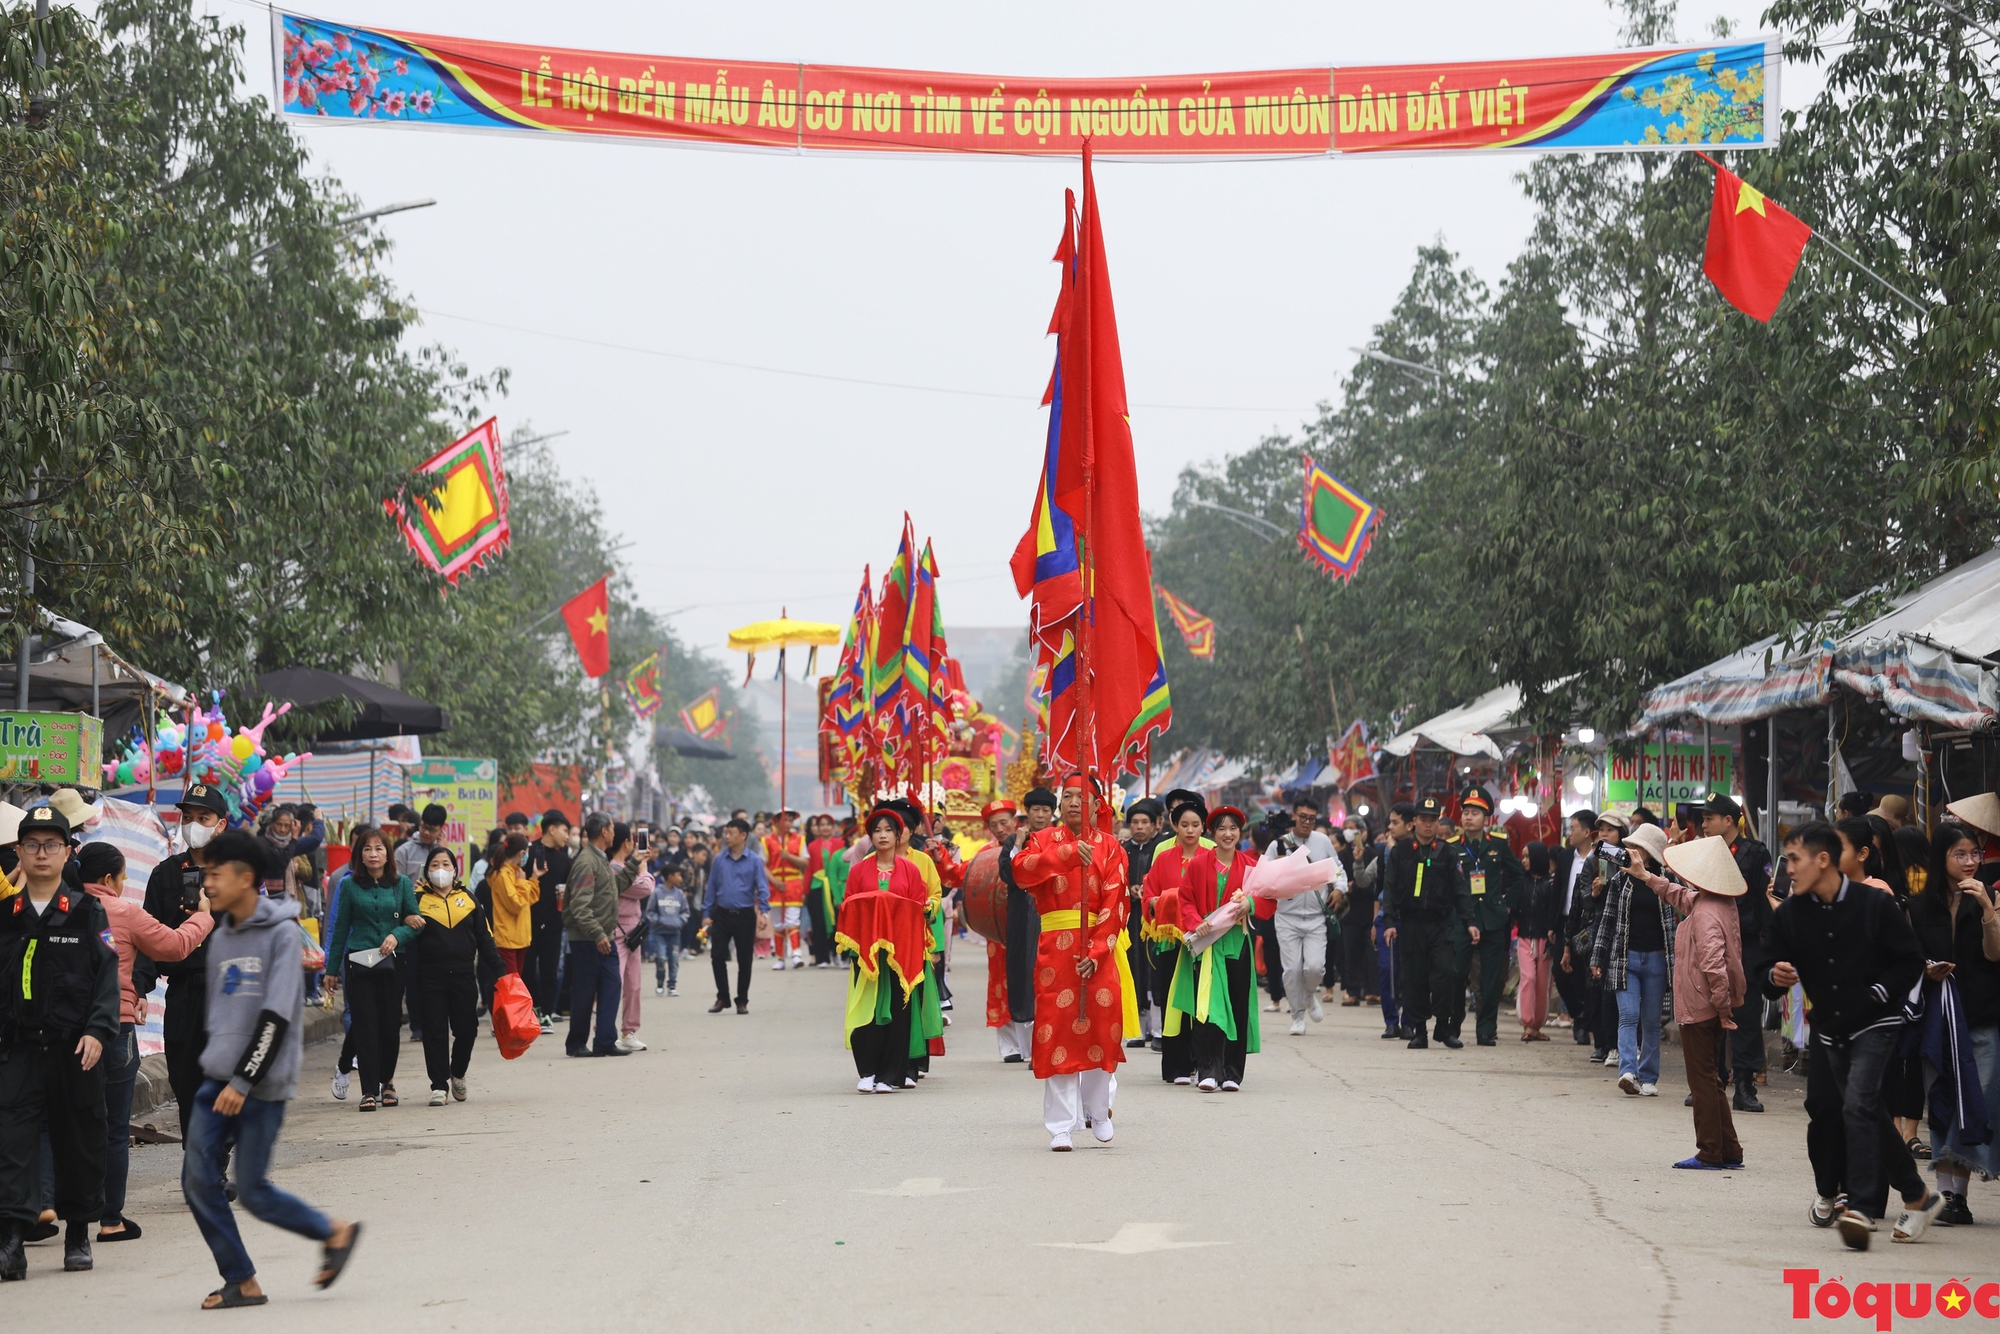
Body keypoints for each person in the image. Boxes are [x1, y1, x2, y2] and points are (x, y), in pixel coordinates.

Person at [178, 829, 359, 1308]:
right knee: (197, 1178)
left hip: (260, 1084)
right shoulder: (221, 936)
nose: (208, 883)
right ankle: (241, 1278)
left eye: (216, 874)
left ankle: (333, 1232)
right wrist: (220, 1073)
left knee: (254, 1190)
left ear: (246, 878)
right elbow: (221, 1016)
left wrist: (244, 1080)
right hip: (218, 1080)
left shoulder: (281, 934)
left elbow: (277, 1015)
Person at [1763, 821, 1938, 1250]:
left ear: (1823, 860)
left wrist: (1877, 994)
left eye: (1794, 859)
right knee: (1865, 1112)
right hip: (1831, 1027)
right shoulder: (1790, 914)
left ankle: (1858, 1207)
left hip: (1878, 1022)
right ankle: (1917, 1196)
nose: (1788, 869)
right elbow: (1764, 972)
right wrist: (1774, 974)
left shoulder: (1874, 905)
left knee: (1858, 1102)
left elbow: (1910, 960)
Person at [75, 841, 214, 1244]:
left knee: (63, 1121)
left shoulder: (58, 911)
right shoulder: (140, 897)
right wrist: (203, 918)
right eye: (121, 878)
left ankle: (54, 1206)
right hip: (133, 1018)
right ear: (109, 880)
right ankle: (109, 1217)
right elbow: (164, 946)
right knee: (123, 1123)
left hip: (66, 1031)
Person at [0, 804, 118, 1279]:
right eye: (32, 845)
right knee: (12, 1143)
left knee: (80, 1140)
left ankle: (78, 1234)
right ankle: (12, 1240)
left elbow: (108, 975)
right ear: (19, 853)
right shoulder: (5, 916)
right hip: (18, 1049)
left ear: (68, 852)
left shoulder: (90, 912)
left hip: (75, 1050)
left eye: (51, 845)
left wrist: (98, 1030)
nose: (41, 853)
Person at [1012, 778, 1129, 1147]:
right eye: (1068, 796)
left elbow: (1117, 902)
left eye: (1083, 797)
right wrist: (1062, 856)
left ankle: (1097, 1109)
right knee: (1055, 1030)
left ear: (1097, 805)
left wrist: (1096, 952)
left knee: (1102, 1028)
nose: (1074, 802)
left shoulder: (1111, 847)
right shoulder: (1043, 839)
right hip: (1055, 951)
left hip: (1098, 949)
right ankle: (1061, 1125)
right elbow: (1021, 871)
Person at [1907, 819, 2000, 1226]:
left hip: (1980, 1014)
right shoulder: (1919, 905)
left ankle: (1958, 1194)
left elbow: (1994, 955)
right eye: (1958, 854)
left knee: (1976, 1102)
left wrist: (1986, 908)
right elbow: (1908, 958)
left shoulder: (1990, 895)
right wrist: (1925, 972)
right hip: (1936, 1018)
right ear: (1940, 857)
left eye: (1974, 854)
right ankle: (1947, 1193)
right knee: (1942, 1102)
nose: (1969, 862)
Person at [134, 782, 234, 1142]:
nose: (193, 824)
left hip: (229, 993)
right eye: (187, 817)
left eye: (202, 817)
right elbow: (146, 934)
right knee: (186, 1082)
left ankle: (215, 1164)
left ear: (220, 825)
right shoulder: (165, 874)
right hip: (184, 996)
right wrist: (139, 988)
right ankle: (199, 1161)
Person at [1644, 836, 1749, 1169]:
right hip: (1711, 1005)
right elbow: (1680, 895)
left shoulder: (1704, 914)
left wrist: (1721, 1009)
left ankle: (1709, 1151)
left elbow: (1714, 966)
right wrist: (1646, 876)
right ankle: (1729, 1149)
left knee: (1702, 1080)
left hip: (1701, 1006)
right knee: (1712, 1079)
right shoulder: (1719, 903)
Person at [322, 826, 420, 1111]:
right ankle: (368, 1090)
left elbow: (414, 922)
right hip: (359, 961)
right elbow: (339, 928)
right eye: (367, 849)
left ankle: (387, 1081)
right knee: (365, 1024)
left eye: (379, 848)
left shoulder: (401, 884)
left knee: (390, 1024)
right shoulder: (350, 885)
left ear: (388, 854)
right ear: (359, 855)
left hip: (393, 963)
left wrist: (396, 935)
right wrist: (331, 969)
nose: (373, 854)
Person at [839, 809, 933, 1093]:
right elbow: (848, 906)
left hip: (900, 953)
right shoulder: (858, 871)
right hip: (867, 954)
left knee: (899, 1012)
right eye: (877, 830)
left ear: (898, 835)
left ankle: (890, 1074)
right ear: (870, 836)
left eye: (888, 830)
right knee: (866, 1011)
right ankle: (867, 1071)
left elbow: (919, 905)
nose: (882, 835)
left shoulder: (911, 871)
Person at [400, 847, 501, 1104]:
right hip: (429, 977)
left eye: (446, 864)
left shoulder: (469, 899)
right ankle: (439, 1085)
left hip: (464, 976)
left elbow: (485, 938)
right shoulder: (416, 901)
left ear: (455, 870)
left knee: (467, 1030)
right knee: (434, 1031)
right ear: (426, 871)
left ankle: (458, 1072)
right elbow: (406, 938)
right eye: (434, 865)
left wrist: (503, 973)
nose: (440, 869)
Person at [1168, 806, 1259, 1090]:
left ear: (1240, 833)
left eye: (1233, 829)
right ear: (1213, 833)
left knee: (1237, 1005)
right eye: (1222, 829)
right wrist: (1196, 922)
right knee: (1205, 1009)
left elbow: (1268, 900)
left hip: (1236, 943)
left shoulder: (1251, 867)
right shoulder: (1197, 865)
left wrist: (1250, 904)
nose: (1228, 834)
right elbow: (1185, 899)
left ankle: (1232, 1073)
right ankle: (1208, 1070)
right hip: (1207, 945)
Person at [1381, 797, 1479, 1050]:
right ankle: (1420, 1031)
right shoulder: (1400, 852)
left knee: (1447, 974)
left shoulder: (1447, 852)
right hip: (1412, 923)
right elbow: (1389, 888)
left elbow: (1460, 890)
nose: (1428, 825)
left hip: (1441, 924)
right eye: (1423, 819)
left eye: (1432, 820)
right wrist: (1389, 921)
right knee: (1414, 979)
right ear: (1414, 822)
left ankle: (1443, 1027)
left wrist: (1469, 921)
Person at [1591, 821, 1675, 1096]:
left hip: (1657, 961)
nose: (1631, 851)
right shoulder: (1620, 879)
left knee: (1651, 1021)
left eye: (1637, 846)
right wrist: (1598, 957)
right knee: (1628, 1015)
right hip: (1625, 959)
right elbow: (1607, 920)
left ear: (1650, 852)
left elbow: (1679, 920)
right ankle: (1628, 1071)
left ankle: (1649, 1077)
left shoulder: (1668, 881)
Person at [1701, 795, 1773, 1113]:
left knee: (1745, 1014)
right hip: (1712, 943)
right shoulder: (1702, 853)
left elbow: (1764, 899)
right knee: (1709, 1011)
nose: (1703, 825)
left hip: (1746, 944)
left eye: (1709, 819)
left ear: (1728, 821)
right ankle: (1713, 1079)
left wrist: (1770, 947)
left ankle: (1744, 1085)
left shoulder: (1755, 853)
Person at [1142, 796, 1206, 1082]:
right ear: (1175, 827)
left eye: (1195, 824)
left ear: (1204, 827)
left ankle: (1199, 1060)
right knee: (1172, 999)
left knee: (1199, 999)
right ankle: (1176, 1066)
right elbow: (1148, 892)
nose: (1190, 830)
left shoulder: (1211, 856)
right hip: (1170, 939)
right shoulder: (1164, 857)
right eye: (1184, 825)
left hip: (1202, 939)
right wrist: (1159, 901)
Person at [563, 815, 639, 1057]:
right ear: (604, 832)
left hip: (604, 935)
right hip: (588, 938)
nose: (615, 833)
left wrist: (635, 863)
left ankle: (605, 1040)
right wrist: (597, 934)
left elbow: (613, 888)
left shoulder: (600, 859)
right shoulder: (587, 861)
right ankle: (576, 1043)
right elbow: (580, 906)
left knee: (611, 986)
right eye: (612, 828)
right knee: (585, 992)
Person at [1270, 798, 1346, 1037]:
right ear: (1294, 815)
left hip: (1315, 916)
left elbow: (1339, 870)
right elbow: (1264, 879)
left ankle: (1309, 994)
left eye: (1312, 818)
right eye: (1302, 817)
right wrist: (1279, 871)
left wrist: (1339, 889)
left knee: (1314, 967)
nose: (1307, 822)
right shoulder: (1277, 845)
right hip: (1286, 916)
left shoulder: (1322, 842)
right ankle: (1298, 1016)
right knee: (1292, 970)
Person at [1454, 788, 1522, 1046]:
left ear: (1486, 818)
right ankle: (1453, 1026)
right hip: (1462, 918)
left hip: (1493, 919)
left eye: (1475, 813)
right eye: (1466, 813)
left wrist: (1507, 905)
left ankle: (1486, 1029)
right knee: (1457, 973)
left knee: (1491, 979)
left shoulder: (1498, 844)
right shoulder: (1452, 846)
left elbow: (1517, 875)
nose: (1469, 817)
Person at [980, 799, 1036, 1064]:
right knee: (1002, 982)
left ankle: (1032, 1041)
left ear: (1015, 821)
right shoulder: (984, 854)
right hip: (997, 931)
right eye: (994, 825)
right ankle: (1009, 1045)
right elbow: (959, 876)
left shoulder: (1029, 843)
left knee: (1030, 978)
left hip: (1026, 922)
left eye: (1004, 822)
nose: (1000, 828)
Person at [702, 819, 771, 1015]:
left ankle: (742, 1000)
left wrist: (763, 912)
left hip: (745, 915)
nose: (727, 836)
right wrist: (706, 913)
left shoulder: (754, 861)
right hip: (722, 914)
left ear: (743, 835)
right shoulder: (719, 860)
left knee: (744, 959)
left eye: (731, 832)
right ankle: (722, 997)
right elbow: (711, 888)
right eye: (725, 832)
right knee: (717, 956)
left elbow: (762, 889)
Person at [1120, 797, 1171, 1047]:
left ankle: (1159, 1028)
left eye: (1145, 822)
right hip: (1130, 918)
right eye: (1135, 822)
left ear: (1155, 825)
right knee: (1133, 967)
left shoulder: (1161, 849)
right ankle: (1137, 1029)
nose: (1139, 827)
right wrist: (1127, 890)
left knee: (1155, 969)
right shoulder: (1122, 850)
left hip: (1156, 919)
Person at [1553, 809, 1601, 1052]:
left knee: (1586, 975)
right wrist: (1553, 927)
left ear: (1586, 831)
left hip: (1590, 921)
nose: (1569, 833)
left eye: (1573, 828)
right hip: (1566, 921)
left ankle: (1583, 1023)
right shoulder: (1564, 857)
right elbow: (1558, 892)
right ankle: (1578, 1012)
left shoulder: (1600, 856)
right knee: (1560, 972)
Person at [525, 811, 573, 1031]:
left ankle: (546, 1014)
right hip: (527, 921)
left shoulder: (565, 860)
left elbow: (567, 890)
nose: (567, 836)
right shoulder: (529, 852)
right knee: (527, 970)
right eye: (565, 831)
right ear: (551, 829)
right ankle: (531, 1008)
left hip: (554, 923)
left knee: (550, 970)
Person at [1513, 841, 1562, 1041]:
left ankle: (1536, 1025)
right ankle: (1527, 1021)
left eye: (1527, 856)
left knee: (1543, 984)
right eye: (1523, 856)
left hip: (1544, 939)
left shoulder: (1550, 885)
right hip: (1524, 938)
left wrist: (1552, 943)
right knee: (1528, 978)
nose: (1524, 860)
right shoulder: (1520, 882)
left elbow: (1554, 914)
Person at [613, 825, 655, 1052]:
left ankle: (629, 1030)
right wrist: (644, 865)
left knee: (634, 984)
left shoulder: (626, 867)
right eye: (631, 839)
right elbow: (645, 887)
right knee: (614, 983)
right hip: (617, 930)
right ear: (626, 843)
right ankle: (605, 1030)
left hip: (633, 930)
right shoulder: (614, 868)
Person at [486, 833, 538, 977]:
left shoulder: (516, 872)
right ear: (522, 853)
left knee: (515, 986)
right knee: (510, 987)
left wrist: (534, 879)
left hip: (520, 939)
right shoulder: (502, 875)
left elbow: (529, 900)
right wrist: (522, 883)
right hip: (507, 940)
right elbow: (515, 905)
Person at [763, 810, 809, 970]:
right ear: (776, 822)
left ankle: (796, 953)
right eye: (785, 820)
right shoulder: (767, 841)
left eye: (790, 820)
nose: (788, 823)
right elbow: (763, 865)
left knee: (792, 920)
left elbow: (805, 862)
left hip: (794, 883)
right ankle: (780, 958)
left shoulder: (800, 839)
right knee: (777, 923)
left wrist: (788, 856)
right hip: (775, 884)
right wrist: (775, 882)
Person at [644, 864, 690, 996]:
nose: (681, 878)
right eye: (678, 875)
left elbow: (685, 912)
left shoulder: (680, 894)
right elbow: (650, 911)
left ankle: (672, 985)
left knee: (674, 959)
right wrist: (658, 921)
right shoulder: (657, 893)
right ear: (670, 877)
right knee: (660, 957)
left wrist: (679, 922)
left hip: (675, 933)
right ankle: (660, 982)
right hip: (660, 933)